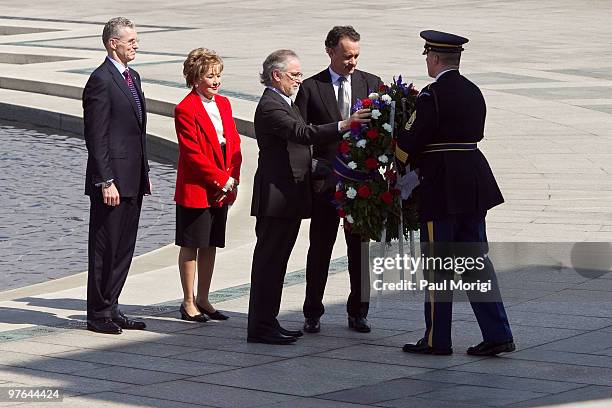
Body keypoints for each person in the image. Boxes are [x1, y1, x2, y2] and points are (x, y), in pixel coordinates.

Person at [396, 30, 514, 356]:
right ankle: (498, 333)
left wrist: (398, 157)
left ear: (434, 58)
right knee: (476, 262)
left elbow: (409, 142)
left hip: (441, 186)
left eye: (428, 57)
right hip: (474, 181)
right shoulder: (474, 91)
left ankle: (437, 339)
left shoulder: (431, 95)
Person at [248, 49, 370, 345]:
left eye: (300, 74)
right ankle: (261, 327)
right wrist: (344, 124)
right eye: (294, 75)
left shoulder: (283, 101)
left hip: (288, 197)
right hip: (276, 198)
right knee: (269, 264)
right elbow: (301, 132)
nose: (300, 81)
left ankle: (268, 322)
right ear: (276, 76)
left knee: (276, 264)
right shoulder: (271, 105)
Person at [295, 25, 382, 334]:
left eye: (356, 55)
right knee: (320, 247)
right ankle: (312, 311)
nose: (352, 62)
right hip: (325, 183)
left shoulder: (371, 84)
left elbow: (384, 129)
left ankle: (359, 311)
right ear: (330, 51)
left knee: (359, 249)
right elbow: (301, 134)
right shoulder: (311, 87)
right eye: (346, 56)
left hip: (360, 182)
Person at [83, 17, 148, 334]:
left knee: (124, 247)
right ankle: (98, 314)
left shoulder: (132, 77)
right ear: (113, 43)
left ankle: (113, 306)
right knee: (105, 248)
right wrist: (105, 180)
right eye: (131, 41)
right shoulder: (100, 80)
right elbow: (96, 137)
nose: (136, 45)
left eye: (136, 40)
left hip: (134, 178)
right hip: (112, 182)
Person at [174, 48, 242, 322]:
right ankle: (188, 301)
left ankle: (204, 297)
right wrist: (220, 179)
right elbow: (192, 155)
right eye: (210, 76)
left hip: (222, 185)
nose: (216, 81)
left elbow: (234, 142)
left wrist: (232, 179)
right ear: (195, 78)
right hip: (197, 188)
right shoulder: (185, 109)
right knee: (192, 244)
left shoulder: (224, 103)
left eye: (218, 75)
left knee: (211, 243)